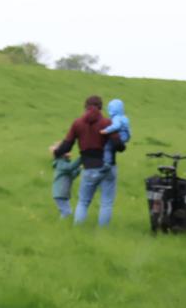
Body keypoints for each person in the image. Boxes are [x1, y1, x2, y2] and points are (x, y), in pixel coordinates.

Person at [52, 95, 125, 226]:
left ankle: (78, 230)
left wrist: (56, 153)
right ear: (101, 107)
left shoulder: (77, 123)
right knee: (106, 203)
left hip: (88, 168)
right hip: (108, 168)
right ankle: (103, 233)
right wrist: (121, 142)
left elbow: (67, 145)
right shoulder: (107, 123)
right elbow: (119, 146)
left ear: (85, 107)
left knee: (83, 202)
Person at [49, 142, 81, 219]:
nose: (69, 151)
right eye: (67, 150)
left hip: (63, 193)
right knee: (67, 212)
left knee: (66, 212)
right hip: (60, 192)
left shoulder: (65, 163)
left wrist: (78, 170)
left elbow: (72, 176)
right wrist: (81, 158)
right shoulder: (60, 163)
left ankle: (62, 223)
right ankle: (61, 224)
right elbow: (70, 167)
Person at [99, 98, 131, 170]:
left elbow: (116, 126)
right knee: (112, 148)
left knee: (107, 147)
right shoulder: (123, 117)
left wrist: (106, 130)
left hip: (121, 135)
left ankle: (107, 163)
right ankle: (110, 161)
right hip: (125, 135)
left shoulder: (116, 117)